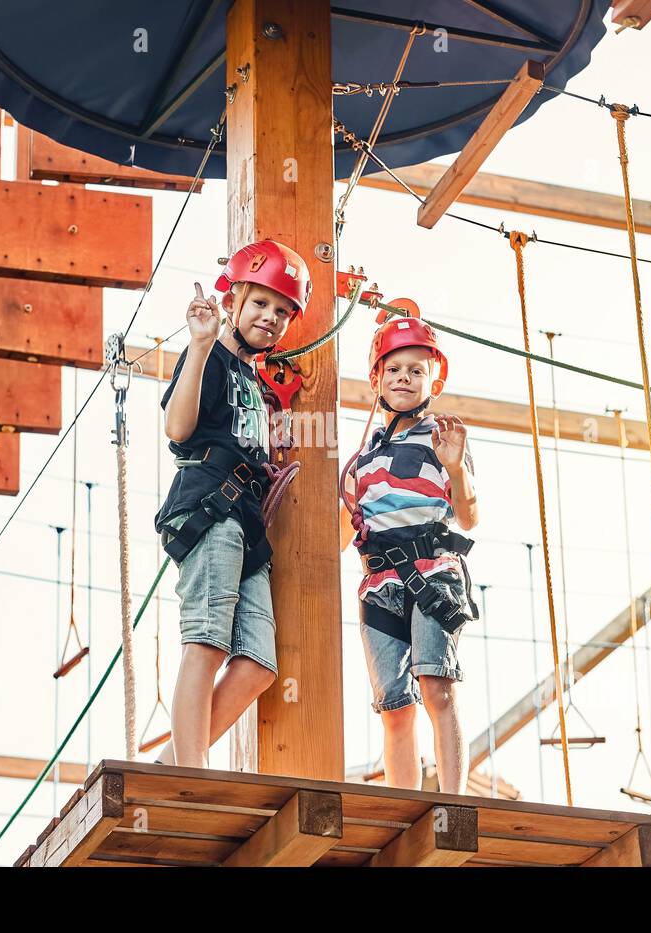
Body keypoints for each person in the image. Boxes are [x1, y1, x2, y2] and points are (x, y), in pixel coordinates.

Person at [153, 239, 312, 768]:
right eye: (261, 303)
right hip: (211, 510)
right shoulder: (213, 359)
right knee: (207, 643)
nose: (272, 317)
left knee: (259, 665)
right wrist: (199, 346)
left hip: (245, 523)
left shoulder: (251, 377)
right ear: (233, 302)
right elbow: (178, 429)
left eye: (283, 311)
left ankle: (177, 762)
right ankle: (191, 775)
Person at [340, 300, 479, 793]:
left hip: (433, 573)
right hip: (380, 585)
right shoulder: (361, 462)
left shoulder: (443, 440)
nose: (403, 377)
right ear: (377, 381)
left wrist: (456, 468)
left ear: (432, 382)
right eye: (393, 369)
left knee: (436, 688)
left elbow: (469, 516)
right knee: (395, 708)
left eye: (415, 370)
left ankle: (453, 800)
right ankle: (405, 805)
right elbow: (342, 537)